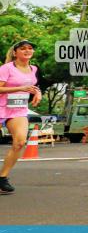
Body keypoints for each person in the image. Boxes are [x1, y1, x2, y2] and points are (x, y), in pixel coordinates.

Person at [0, 40, 42, 194]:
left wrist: (38, 93)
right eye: (23, 48)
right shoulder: (6, 68)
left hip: (17, 110)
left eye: (30, 48)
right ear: (15, 52)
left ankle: (2, 178)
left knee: (20, 142)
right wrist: (19, 88)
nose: (27, 51)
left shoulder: (34, 68)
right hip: (1, 107)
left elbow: (34, 86)